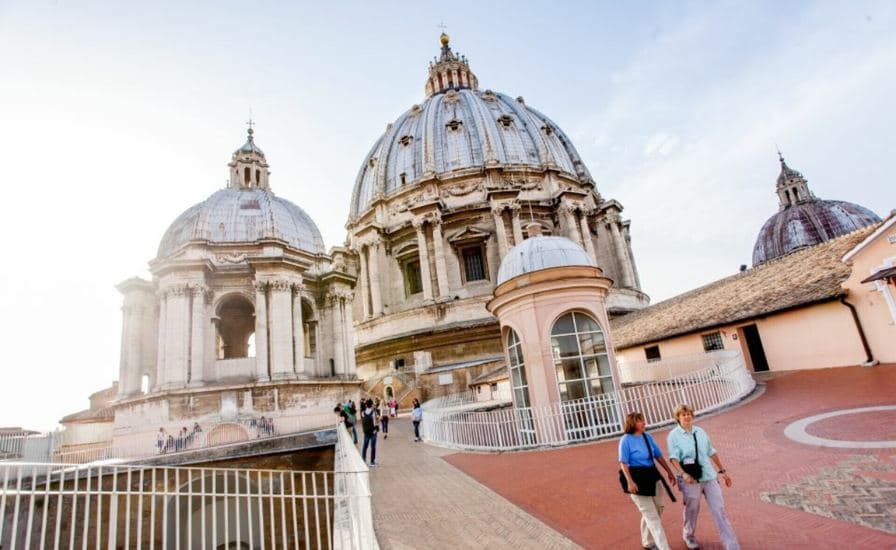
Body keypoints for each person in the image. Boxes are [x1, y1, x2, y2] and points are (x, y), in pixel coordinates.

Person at [667, 404, 740, 550]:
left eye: (689, 414)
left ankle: (731, 545)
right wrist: (683, 474)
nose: (687, 417)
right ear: (678, 417)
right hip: (690, 479)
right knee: (692, 509)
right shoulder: (673, 435)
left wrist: (722, 471)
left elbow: (711, 451)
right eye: (683, 414)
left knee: (719, 509)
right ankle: (688, 536)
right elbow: (673, 458)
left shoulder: (700, 432)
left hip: (709, 475)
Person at [618, 412, 676, 550]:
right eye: (640, 421)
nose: (644, 423)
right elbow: (623, 463)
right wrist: (630, 482)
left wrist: (669, 471)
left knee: (658, 509)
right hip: (637, 479)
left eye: (643, 420)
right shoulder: (626, 439)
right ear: (632, 423)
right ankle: (664, 547)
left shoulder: (647, 436)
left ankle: (647, 541)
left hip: (652, 476)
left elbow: (658, 455)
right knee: (652, 518)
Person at [359, 398, 379, 467]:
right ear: (371, 405)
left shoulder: (362, 412)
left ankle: (363, 460)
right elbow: (375, 422)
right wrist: (377, 429)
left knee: (365, 446)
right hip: (373, 432)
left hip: (366, 432)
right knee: (373, 447)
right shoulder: (373, 412)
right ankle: (372, 462)